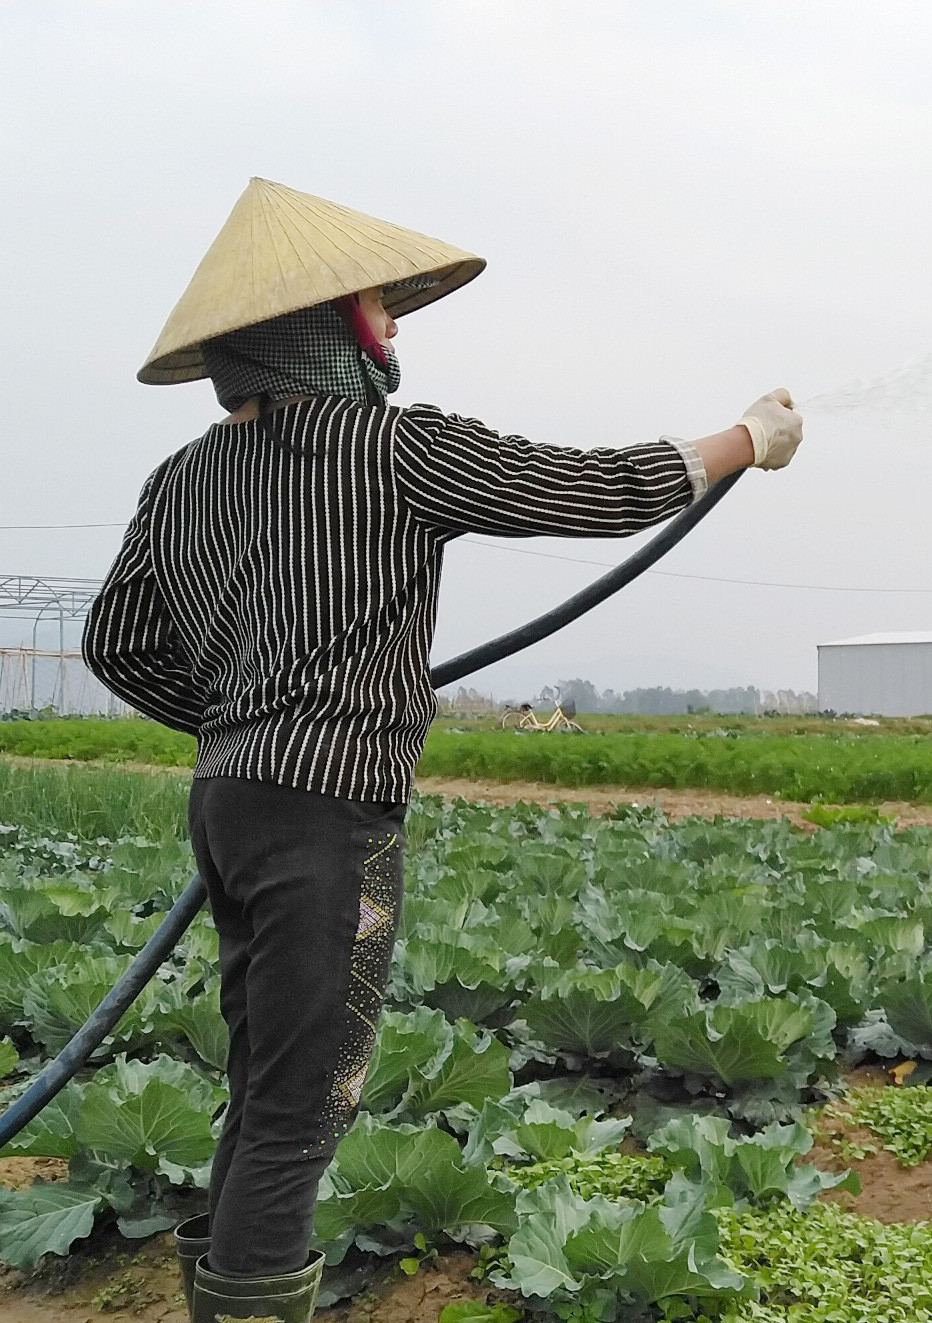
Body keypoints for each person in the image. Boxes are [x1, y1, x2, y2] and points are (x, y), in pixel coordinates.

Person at [80, 179, 805, 1323]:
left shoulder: (181, 479)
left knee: (265, 1078)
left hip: (230, 804)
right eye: (381, 305)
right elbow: (590, 489)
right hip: (327, 817)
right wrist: (741, 440)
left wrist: (242, 717)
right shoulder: (396, 450)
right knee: (307, 1099)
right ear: (325, 329)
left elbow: (116, 644)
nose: (399, 326)